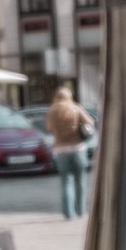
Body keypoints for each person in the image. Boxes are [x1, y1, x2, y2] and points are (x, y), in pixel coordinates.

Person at [46, 84, 92, 218]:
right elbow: (90, 122)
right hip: (78, 148)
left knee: (66, 181)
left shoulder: (52, 111)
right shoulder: (76, 108)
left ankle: (68, 213)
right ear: (69, 96)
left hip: (60, 150)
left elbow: (49, 127)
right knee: (80, 180)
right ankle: (81, 210)